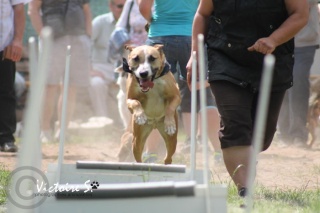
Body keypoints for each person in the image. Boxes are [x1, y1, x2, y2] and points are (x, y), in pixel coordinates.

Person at [186, 0, 308, 197]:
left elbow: (300, 14)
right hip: (224, 56)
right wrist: (195, 53)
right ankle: (245, 190)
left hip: (272, 59)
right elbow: (202, 14)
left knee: (260, 136)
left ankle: (246, 159)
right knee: (235, 125)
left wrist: (274, 39)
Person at [137, 0, 222, 161]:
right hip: (191, 37)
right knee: (205, 95)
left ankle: (152, 153)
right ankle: (218, 152)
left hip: (159, 37)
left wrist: (153, 20)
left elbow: (143, 7)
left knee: (154, 96)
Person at [28, 0, 92, 142]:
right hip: (53, 38)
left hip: (78, 37)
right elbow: (32, 9)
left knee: (70, 86)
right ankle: (45, 131)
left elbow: (86, 9)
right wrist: (42, 34)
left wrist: (88, 35)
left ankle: (63, 131)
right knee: (49, 85)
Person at [277, 0, 320, 148]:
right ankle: (283, 133)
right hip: (277, 38)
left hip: (304, 40)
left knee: (298, 81)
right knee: (281, 81)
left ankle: (298, 134)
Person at [0, 0, 30, 152]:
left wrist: (17, 40)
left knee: (6, 92)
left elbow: (19, 9)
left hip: (4, 46)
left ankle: (5, 138)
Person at [89, 0, 125, 118]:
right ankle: (103, 120)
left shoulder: (132, 23)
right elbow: (84, 46)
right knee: (96, 83)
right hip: (101, 67)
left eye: (126, 6)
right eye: (120, 6)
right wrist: (89, 70)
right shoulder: (99, 22)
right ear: (111, 6)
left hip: (124, 68)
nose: (123, 9)